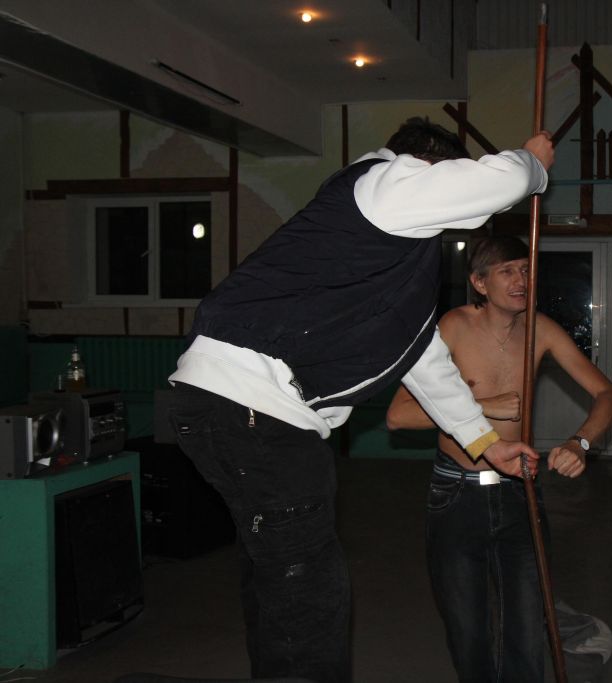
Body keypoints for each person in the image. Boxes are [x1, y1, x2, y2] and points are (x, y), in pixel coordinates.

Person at [165, 118, 554, 683]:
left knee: (279, 580)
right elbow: (502, 181)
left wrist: (484, 442)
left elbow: (422, 359)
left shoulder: (382, 253)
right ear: (429, 166)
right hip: (256, 410)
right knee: (309, 595)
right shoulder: (383, 184)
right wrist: (532, 164)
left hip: (225, 405)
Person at [386, 235, 612, 682]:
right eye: (507, 271)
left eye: (526, 270)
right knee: (468, 627)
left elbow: (608, 395)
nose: (521, 280)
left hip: (520, 489)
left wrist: (580, 443)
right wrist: (483, 407)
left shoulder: (541, 330)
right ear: (479, 282)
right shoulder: (453, 327)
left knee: (528, 623)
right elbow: (398, 415)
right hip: (456, 493)